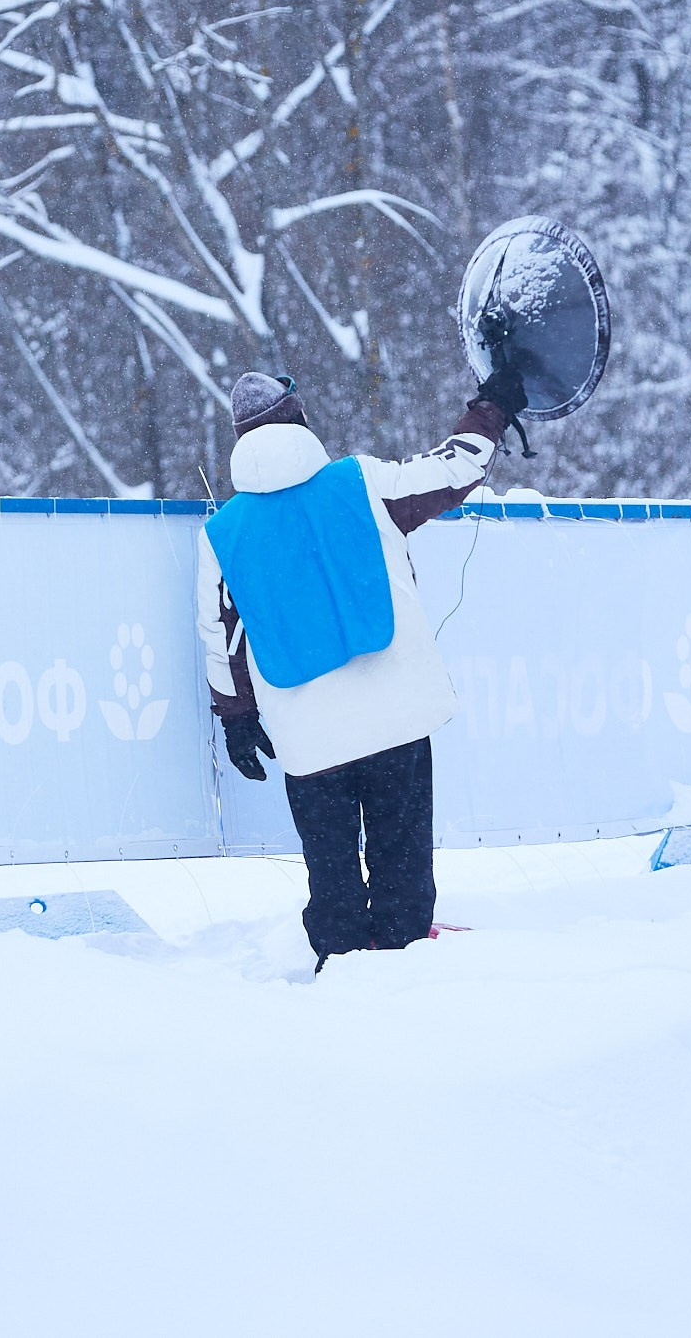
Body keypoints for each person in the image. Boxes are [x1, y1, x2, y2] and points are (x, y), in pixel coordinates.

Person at [196, 366, 528, 969]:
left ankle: (342, 963)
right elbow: (457, 469)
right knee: (402, 862)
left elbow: (219, 632)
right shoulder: (364, 482)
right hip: (396, 715)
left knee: (333, 877)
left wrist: (237, 717)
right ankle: (402, 956)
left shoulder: (221, 533)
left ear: (240, 442)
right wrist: (493, 406)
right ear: (300, 422)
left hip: (308, 735)